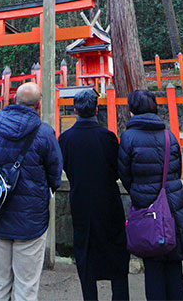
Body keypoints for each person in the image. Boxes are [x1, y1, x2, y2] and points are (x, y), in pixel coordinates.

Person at [0, 82, 62, 301]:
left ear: (14, 100)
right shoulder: (44, 132)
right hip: (31, 217)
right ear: (37, 105)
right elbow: (55, 173)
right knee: (26, 285)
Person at [118, 89, 183, 301]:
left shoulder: (128, 137)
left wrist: (137, 190)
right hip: (172, 203)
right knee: (174, 262)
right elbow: (177, 168)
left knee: (152, 264)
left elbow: (124, 173)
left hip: (145, 204)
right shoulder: (168, 135)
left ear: (132, 110)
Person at [58, 89, 129, 301]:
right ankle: (120, 296)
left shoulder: (65, 139)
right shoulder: (108, 137)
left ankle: (90, 297)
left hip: (81, 199)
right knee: (116, 248)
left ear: (75, 109)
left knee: (85, 249)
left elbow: (66, 167)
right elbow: (117, 170)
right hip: (108, 200)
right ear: (96, 109)